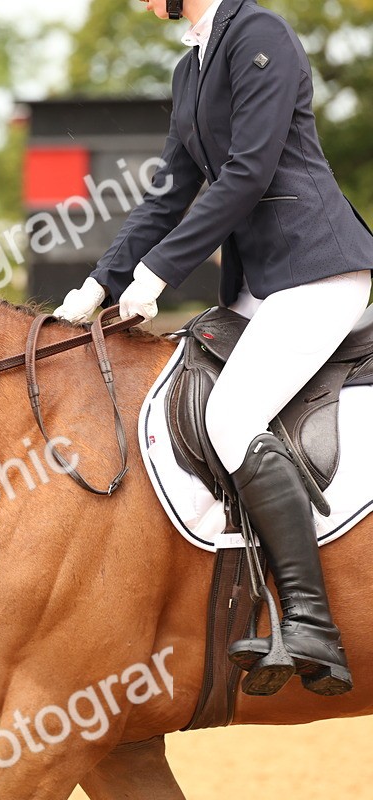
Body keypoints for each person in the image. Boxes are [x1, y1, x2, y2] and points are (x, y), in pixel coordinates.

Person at [54, 0, 373, 697]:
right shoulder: (188, 67)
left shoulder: (259, 34)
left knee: (231, 417)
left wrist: (160, 272)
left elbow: (249, 172)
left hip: (317, 269)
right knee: (184, 402)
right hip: (259, 284)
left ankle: (313, 622)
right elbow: (170, 190)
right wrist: (97, 284)